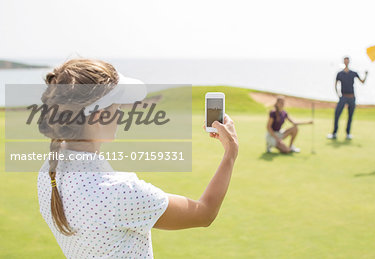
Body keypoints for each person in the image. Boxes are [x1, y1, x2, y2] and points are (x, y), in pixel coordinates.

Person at [37, 59, 239, 258]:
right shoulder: (119, 191)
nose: (120, 113)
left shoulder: (48, 173)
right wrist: (231, 152)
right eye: (117, 106)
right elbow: (204, 213)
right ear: (99, 116)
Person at [327, 56, 367, 140]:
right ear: (343, 62)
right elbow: (335, 84)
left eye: (347, 61)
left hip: (352, 97)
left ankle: (348, 133)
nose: (346, 62)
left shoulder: (353, 73)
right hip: (343, 97)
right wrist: (338, 95)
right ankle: (334, 133)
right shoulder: (340, 73)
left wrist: (366, 75)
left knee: (350, 116)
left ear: (349, 62)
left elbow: (362, 82)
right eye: (345, 61)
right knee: (337, 114)